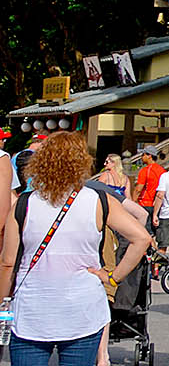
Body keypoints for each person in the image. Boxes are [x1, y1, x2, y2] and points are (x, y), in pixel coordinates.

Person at [0, 131, 150, 366]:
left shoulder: (24, 203)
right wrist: (113, 276)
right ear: (82, 163)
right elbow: (141, 238)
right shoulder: (99, 201)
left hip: (31, 310)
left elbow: (8, 262)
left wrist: (3, 301)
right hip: (83, 309)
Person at [131, 145, 164, 216]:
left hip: (144, 203)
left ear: (149, 156)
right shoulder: (162, 170)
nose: (141, 157)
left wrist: (133, 202)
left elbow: (138, 189)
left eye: (143, 154)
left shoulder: (145, 170)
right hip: (158, 204)